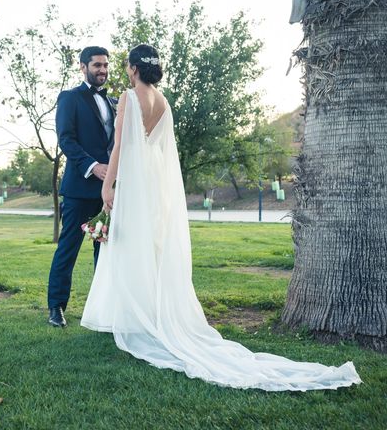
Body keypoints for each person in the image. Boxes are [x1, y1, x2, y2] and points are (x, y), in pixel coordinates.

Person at [80, 44, 361, 391]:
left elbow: (119, 146)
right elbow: (164, 155)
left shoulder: (128, 97)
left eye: (126, 65)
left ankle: (137, 321)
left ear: (134, 68)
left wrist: (109, 185)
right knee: (148, 249)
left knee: (130, 248)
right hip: (155, 190)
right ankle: (148, 316)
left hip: (135, 186)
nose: (124, 70)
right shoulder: (163, 102)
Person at [47, 46, 116, 327]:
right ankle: (56, 308)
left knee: (106, 252)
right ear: (83, 67)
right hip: (79, 189)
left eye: (106, 65)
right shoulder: (69, 98)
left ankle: (102, 309)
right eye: (97, 65)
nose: (102, 70)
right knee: (68, 250)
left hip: (108, 192)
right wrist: (93, 166)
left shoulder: (113, 102)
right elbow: (66, 139)